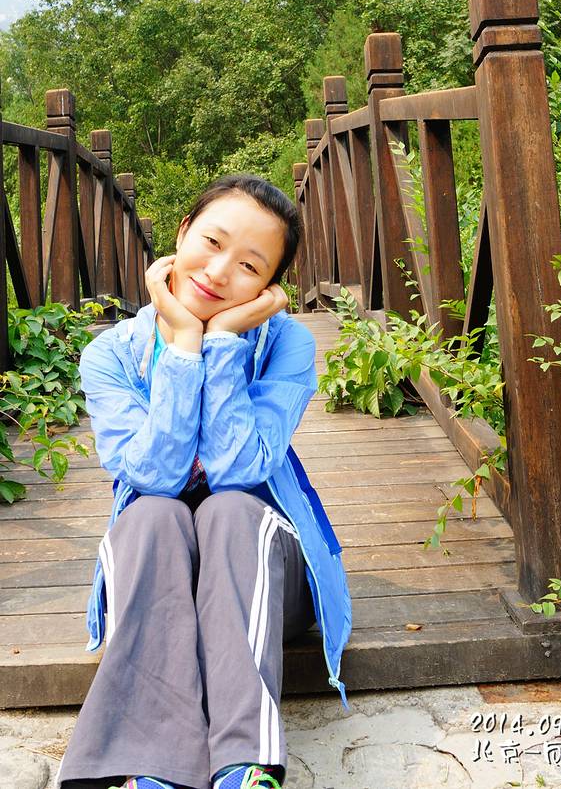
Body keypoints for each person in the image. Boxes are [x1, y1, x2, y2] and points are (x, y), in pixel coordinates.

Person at [56, 174, 352, 789]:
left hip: (264, 581)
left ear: (268, 287)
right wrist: (184, 344)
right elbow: (156, 478)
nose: (218, 272)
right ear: (183, 232)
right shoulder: (112, 354)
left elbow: (238, 469)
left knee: (230, 510)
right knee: (151, 513)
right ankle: (148, 770)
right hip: (155, 579)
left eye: (249, 265)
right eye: (212, 242)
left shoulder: (288, 346)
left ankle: (246, 765)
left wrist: (221, 343)